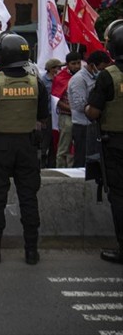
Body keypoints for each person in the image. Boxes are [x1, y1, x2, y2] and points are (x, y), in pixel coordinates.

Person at [0, 32, 49, 265]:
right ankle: (31, 252)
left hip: (0, 148)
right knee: (29, 198)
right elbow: (43, 115)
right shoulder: (36, 83)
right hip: (27, 146)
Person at [85, 20, 123, 264]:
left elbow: (94, 112)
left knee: (119, 196)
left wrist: (88, 107)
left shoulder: (108, 76)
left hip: (117, 144)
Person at [68, 50, 111, 167]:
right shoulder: (79, 80)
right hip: (83, 126)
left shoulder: (98, 78)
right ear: (92, 66)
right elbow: (78, 104)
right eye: (101, 68)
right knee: (82, 160)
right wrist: (96, 106)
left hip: (94, 125)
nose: (103, 71)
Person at [53, 51, 83, 168]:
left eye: (78, 63)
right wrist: (73, 109)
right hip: (67, 117)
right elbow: (57, 101)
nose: (76, 66)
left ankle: (74, 170)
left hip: (81, 117)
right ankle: (60, 170)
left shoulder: (83, 76)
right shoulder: (61, 78)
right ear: (68, 64)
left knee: (78, 147)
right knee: (64, 147)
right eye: (73, 63)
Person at [39, 58, 63, 168]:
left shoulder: (60, 80)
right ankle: (42, 163)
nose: (59, 69)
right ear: (51, 69)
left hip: (57, 115)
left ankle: (52, 164)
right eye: (57, 67)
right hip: (47, 115)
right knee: (45, 140)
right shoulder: (43, 81)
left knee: (55, 141)